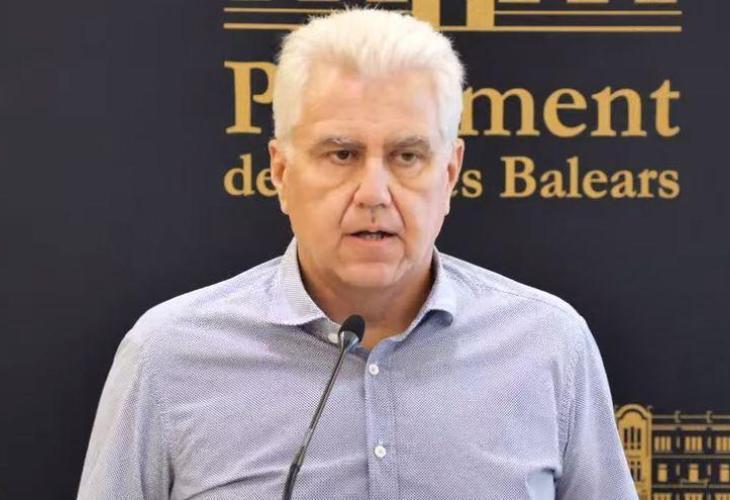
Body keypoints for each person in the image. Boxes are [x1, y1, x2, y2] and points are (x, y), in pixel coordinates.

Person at [78, 8, 638, 500]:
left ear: (450, 174)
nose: (374, 193)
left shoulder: (549, 344)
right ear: (280, 172)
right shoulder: (169, 356)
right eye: (342, 154)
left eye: (407, 156)